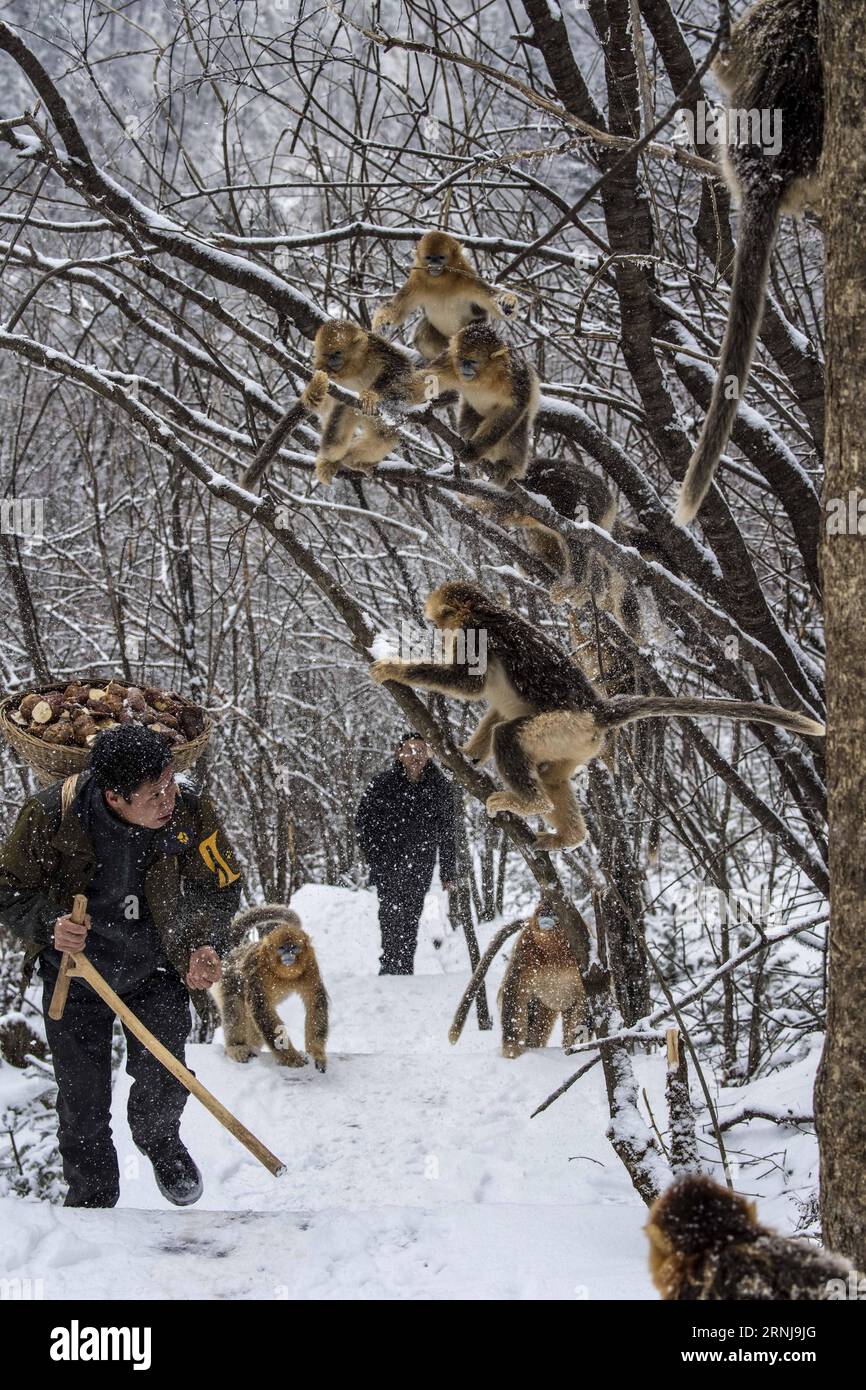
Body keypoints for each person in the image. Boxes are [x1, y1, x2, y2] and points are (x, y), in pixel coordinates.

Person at [0, 724, 243, 1209]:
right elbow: (8, 890)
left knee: (164, 1072)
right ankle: (92, 1198)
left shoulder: (189, 812)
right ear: (114, 796)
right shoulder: (52, 815)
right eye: (154, 794)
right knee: (82, 1098)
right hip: (76, 973)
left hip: (155, 965)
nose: (168, 799)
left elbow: (220, 882)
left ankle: (160, 1143)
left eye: (171, 782)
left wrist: (203, 943)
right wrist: (49, 925)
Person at [356, 731, 457, 975]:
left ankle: (404, 966)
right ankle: (390, 964)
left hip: (421, 863)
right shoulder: (382, 784)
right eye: (410, 750)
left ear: (429, 754)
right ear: (399, 753)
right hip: (387, 863)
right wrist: (374, 855)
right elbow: (363, 823)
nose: (416, 756)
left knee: (411, 915)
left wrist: (447, 870)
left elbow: (447, 831)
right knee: (390, 915)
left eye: (421, 751)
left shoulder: (439, 786)